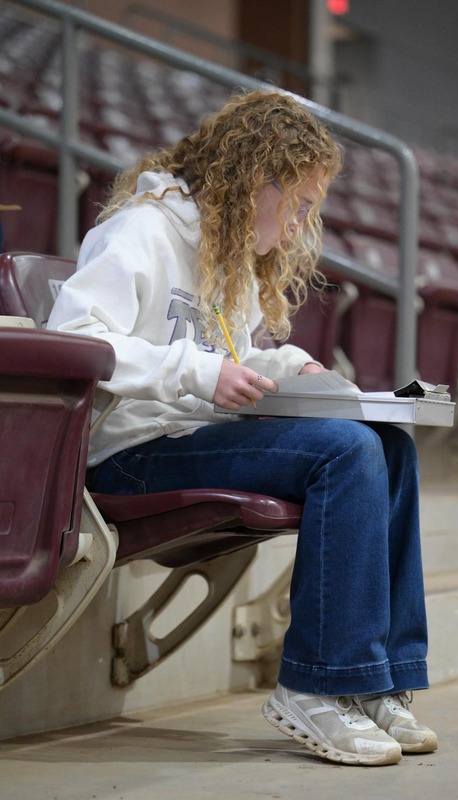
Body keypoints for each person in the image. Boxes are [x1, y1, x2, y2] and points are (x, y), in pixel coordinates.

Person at [47, 88, 437, 766]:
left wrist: (292, 364)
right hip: (131, 451)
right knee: (345, 452)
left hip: (191, 437)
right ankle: (314, 688)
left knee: (391, 446)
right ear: (256, 180)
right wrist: (195, 375)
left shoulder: (226, 253)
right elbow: (74, 338)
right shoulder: (141, 229)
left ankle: (379, 682)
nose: (297, 228)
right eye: (301, 205)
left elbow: (230, 355)